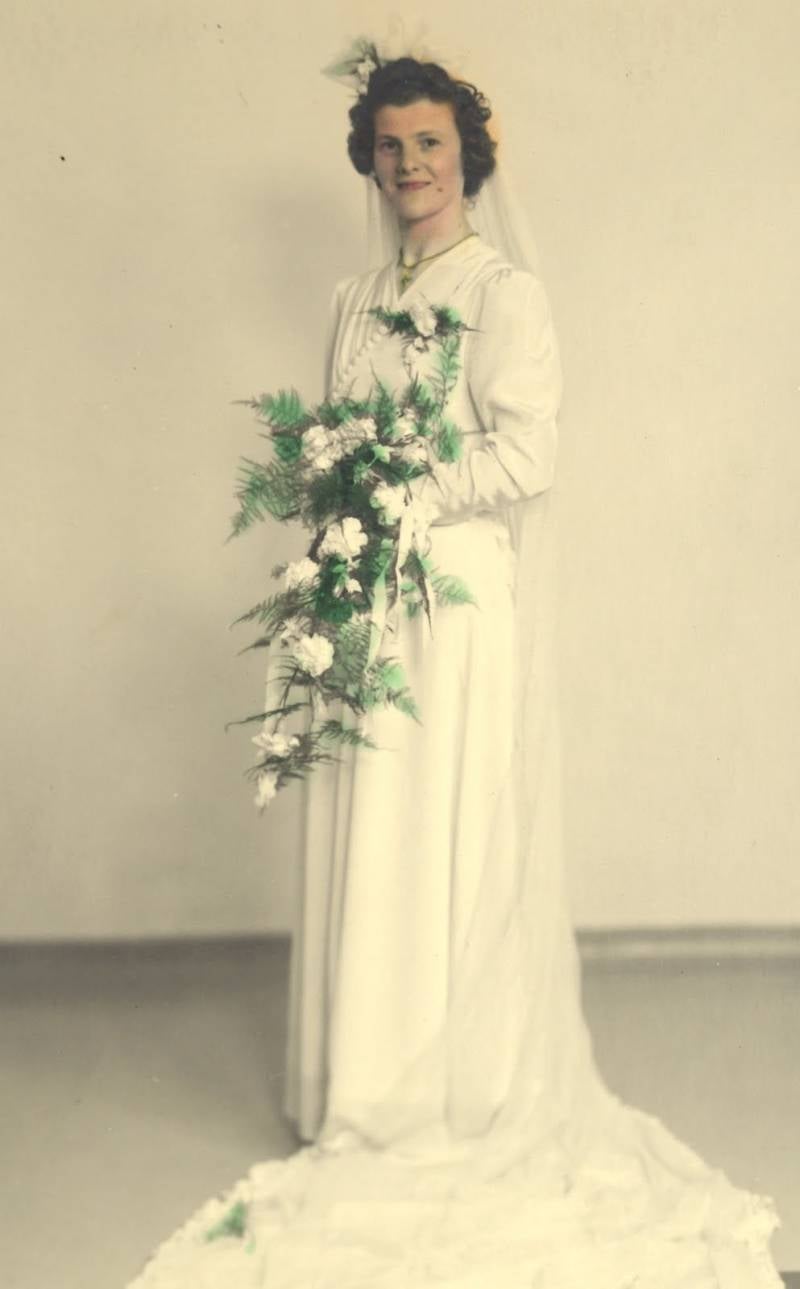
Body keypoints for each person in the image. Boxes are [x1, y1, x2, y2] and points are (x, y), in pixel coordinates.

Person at [129, 45, 782, 1289]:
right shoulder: (349, 297)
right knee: (370, 820)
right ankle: (366, 1084)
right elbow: (334, 434)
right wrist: (340, 502)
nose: (409, 165)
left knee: (438, 826)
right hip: (368, 590)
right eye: (389, 147)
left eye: (428, 142)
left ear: (466, 155)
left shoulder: (502, 294)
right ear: (368, 162)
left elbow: (526, 455)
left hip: (454, 596)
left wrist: (400, 486)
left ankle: (452, 1087)